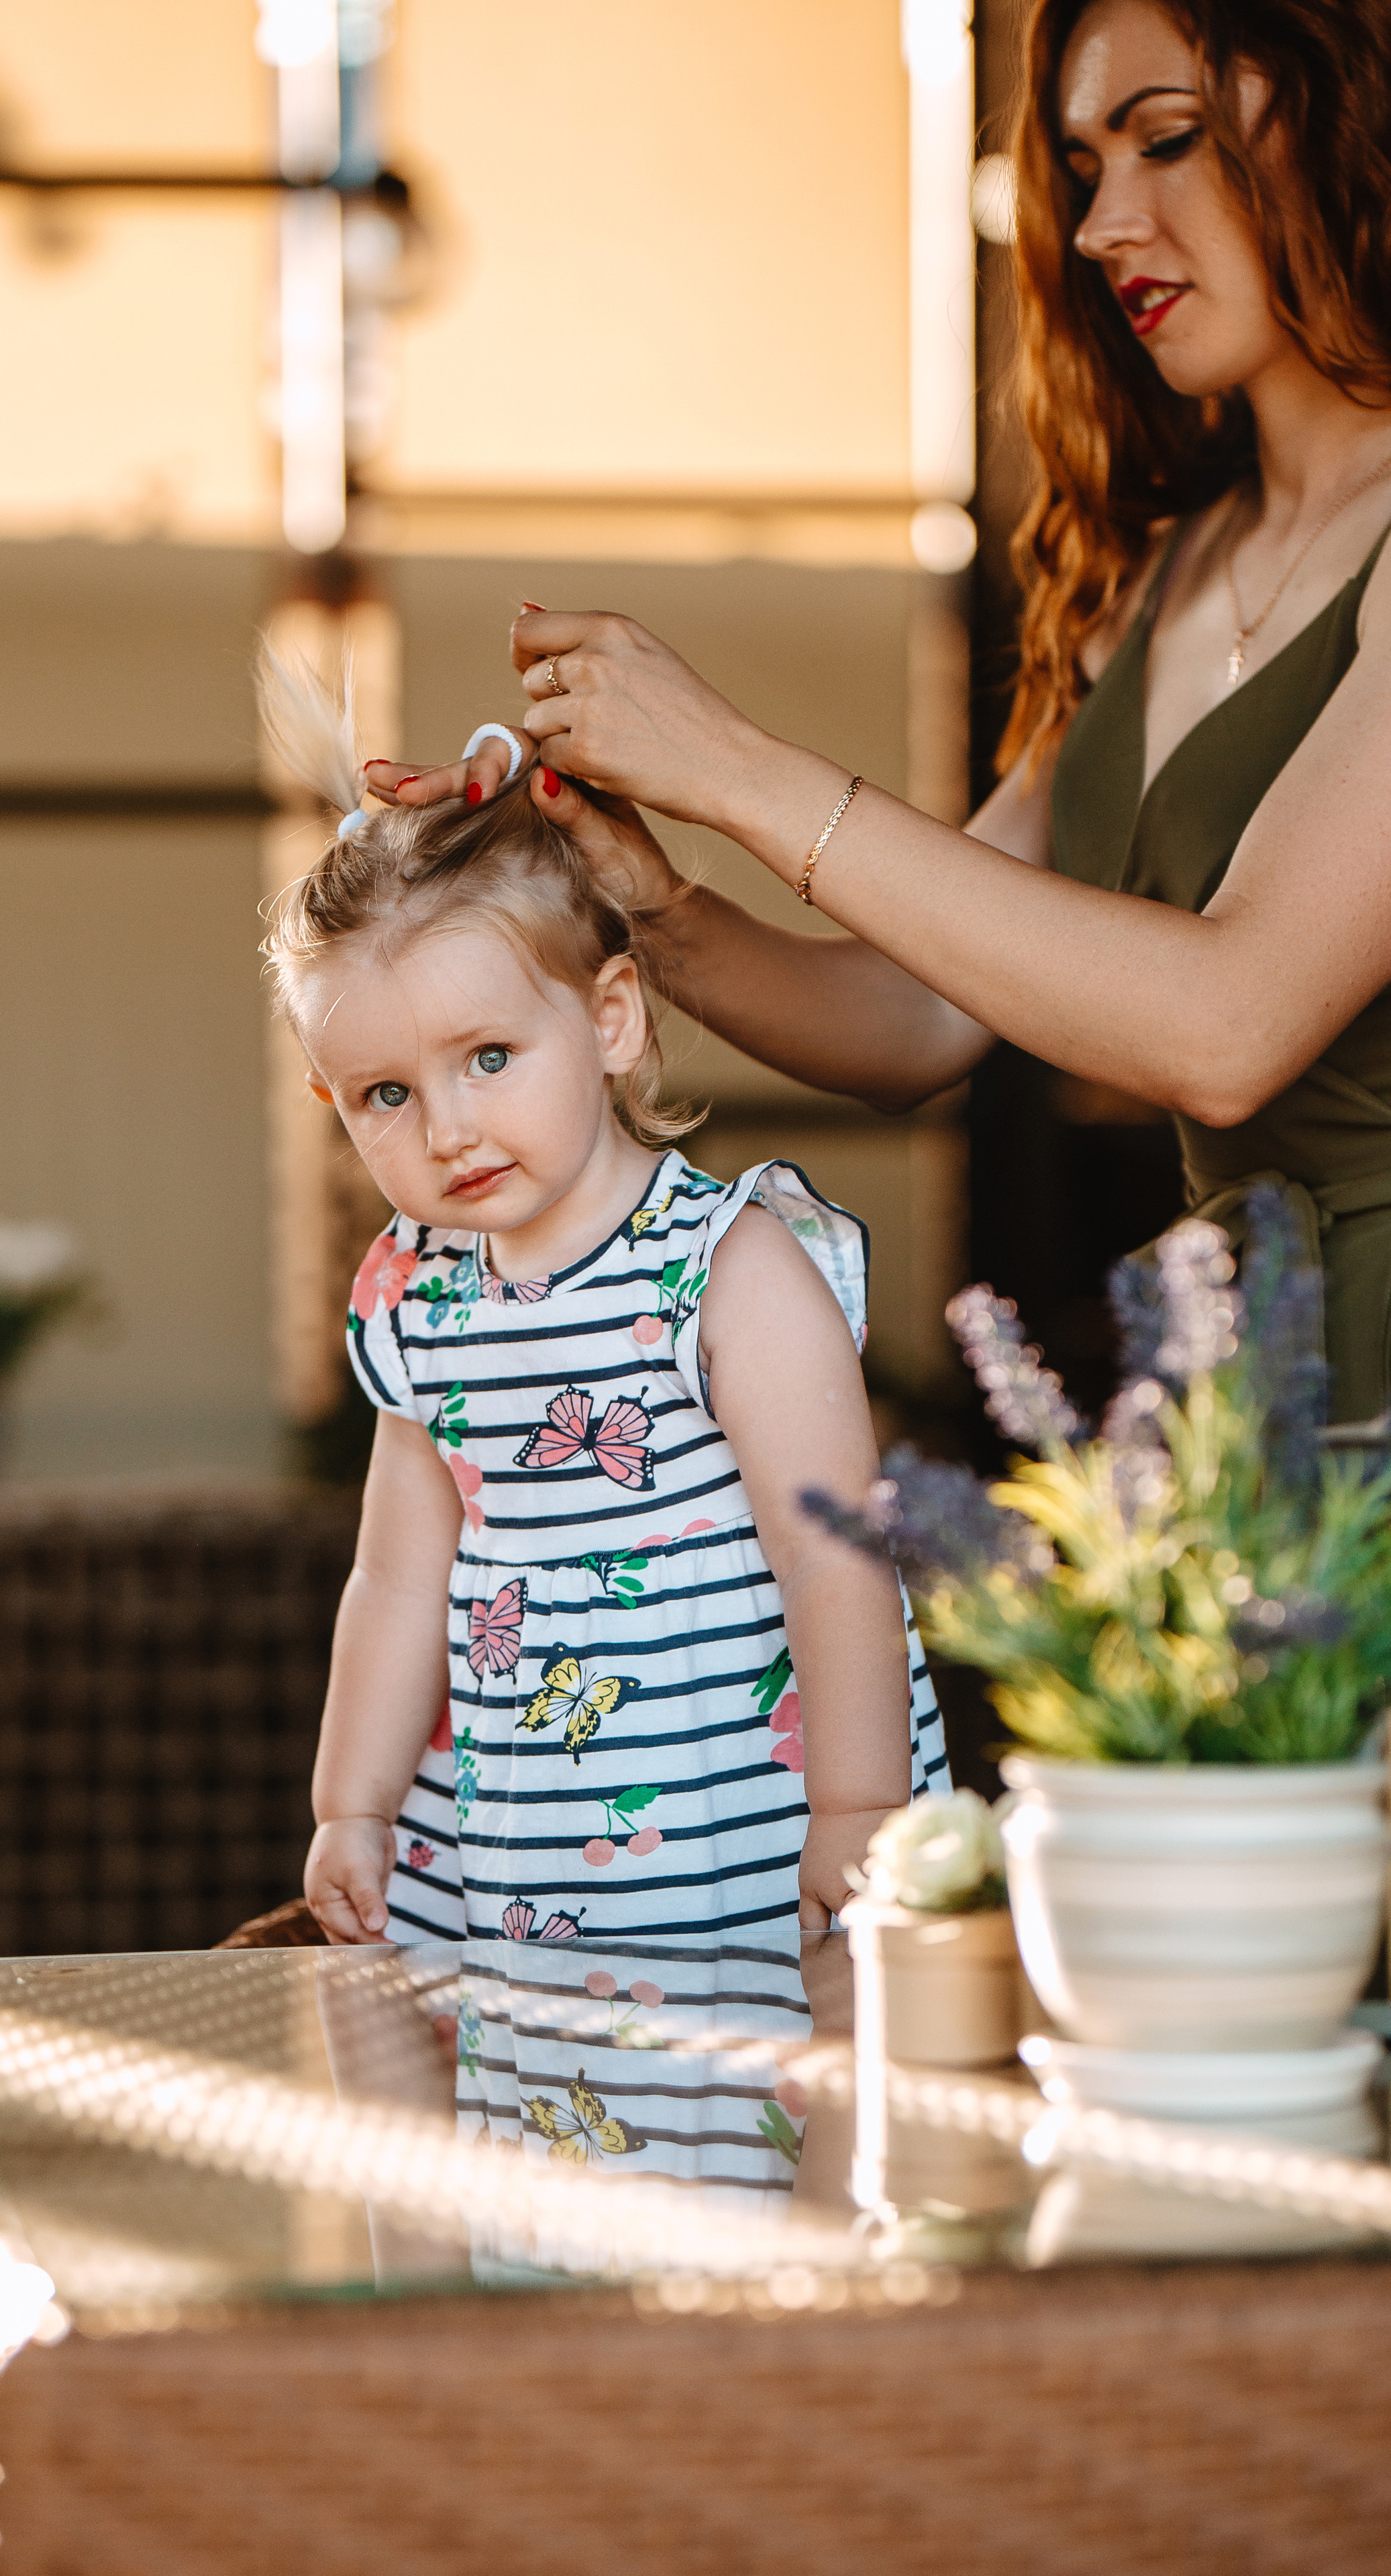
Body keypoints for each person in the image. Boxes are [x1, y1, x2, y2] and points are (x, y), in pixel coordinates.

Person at [366, 0, 1391, 1426]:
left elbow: (1228, 1023)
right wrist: (650, 904)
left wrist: (737, 766)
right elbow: (917, 1019)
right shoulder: (1169, 574)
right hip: (1255, 1432)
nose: (1097, 224)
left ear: (1357, 125)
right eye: (1078, 170)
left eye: (1164, 142)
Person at [256, 657, 947, 1953]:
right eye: (385, 1095)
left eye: (490, 1057)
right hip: (512, 1846)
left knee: (759, 2126)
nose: (447, 1128)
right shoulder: (421, 1302)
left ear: (613, 1017)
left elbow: (834, 1548)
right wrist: (350, 1803)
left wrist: (859, 1803)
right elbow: (398, 1578)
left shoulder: (728, 1270)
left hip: (742, 1831)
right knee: (542, 2125)